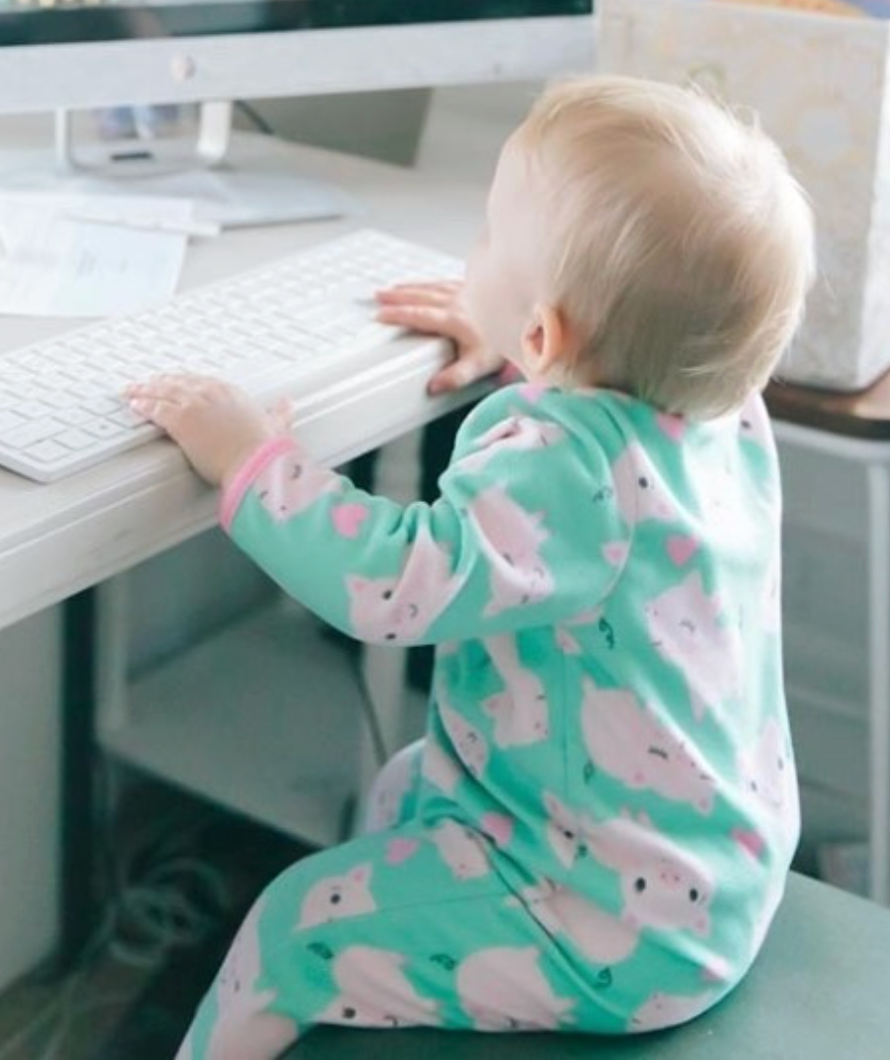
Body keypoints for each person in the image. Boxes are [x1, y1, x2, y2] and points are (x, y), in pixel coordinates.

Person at [126, 74, 816, 1057]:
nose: (473, 253)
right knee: (403, 787)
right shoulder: (720, 408)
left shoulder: (560, 463)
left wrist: (250, 461)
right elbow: (610, 405)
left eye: (490, 239)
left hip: (614, 930)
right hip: (710, 870)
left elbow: (395, 579)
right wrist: (533, 344)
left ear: (542, 330)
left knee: (292, 926)